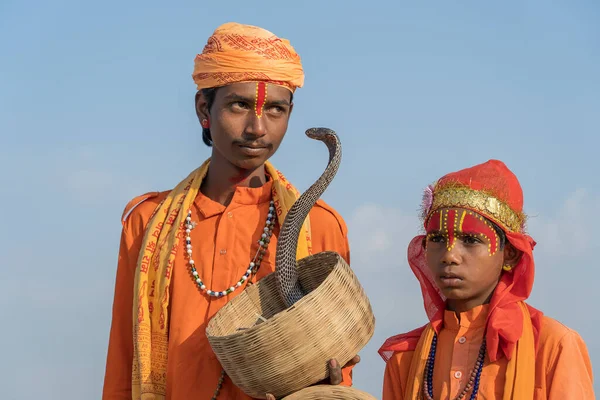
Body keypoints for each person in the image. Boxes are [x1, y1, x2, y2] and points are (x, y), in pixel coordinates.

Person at [102, 22, 358, 400]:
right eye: (239, 105)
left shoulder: (318, 224)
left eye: (275, 109)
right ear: (204, 108)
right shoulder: (146, 221)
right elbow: (123, 363)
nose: (257, 128)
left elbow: (337, 362)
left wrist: (327, 382)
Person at [378, 159, 595, 399]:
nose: (449, 256)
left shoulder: (551, 346)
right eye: (437, 239)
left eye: (471, 240)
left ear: (510, 253)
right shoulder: (405, 358)